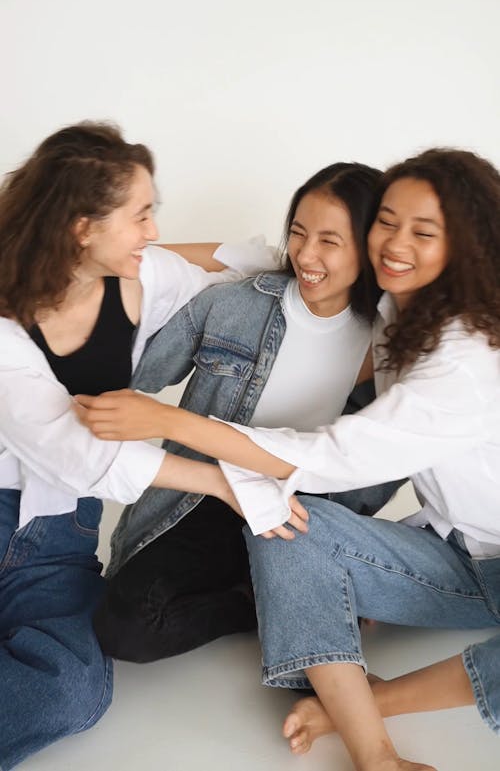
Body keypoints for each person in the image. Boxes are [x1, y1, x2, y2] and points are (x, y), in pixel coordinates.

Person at [77, 148, 500, 771]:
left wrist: (171, 421)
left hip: (472, 550)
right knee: (284, 528)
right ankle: (364, 732)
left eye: (423, 231)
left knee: (290, 510)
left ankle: (358, 708)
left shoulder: (456, 355)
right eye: (387, 221)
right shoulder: (387, 311)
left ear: (466, 245)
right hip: (430, 543)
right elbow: (245, 259)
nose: (395, 243)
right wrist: (106, 256)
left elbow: (336, 459)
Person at [0, 120, 281, 770]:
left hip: (57, 537)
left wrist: (300, 256)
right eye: (141, 214)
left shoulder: (142, 279)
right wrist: (224, 480)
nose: (153, 230)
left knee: (74, 688)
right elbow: (78, 449)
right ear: (81, 226)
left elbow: (219, 274)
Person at [89, 161, 404, 663]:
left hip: (304, 511)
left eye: (330, 240)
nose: (306, 254)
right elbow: (131, 377)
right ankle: (248, 604)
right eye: (298, 233)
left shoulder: (391, 340)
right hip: (212, 494)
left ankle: (284, 593)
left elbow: (375, 468)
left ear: (368, 249)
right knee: (124, 626)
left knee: (313, 664)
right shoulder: (235, 305)